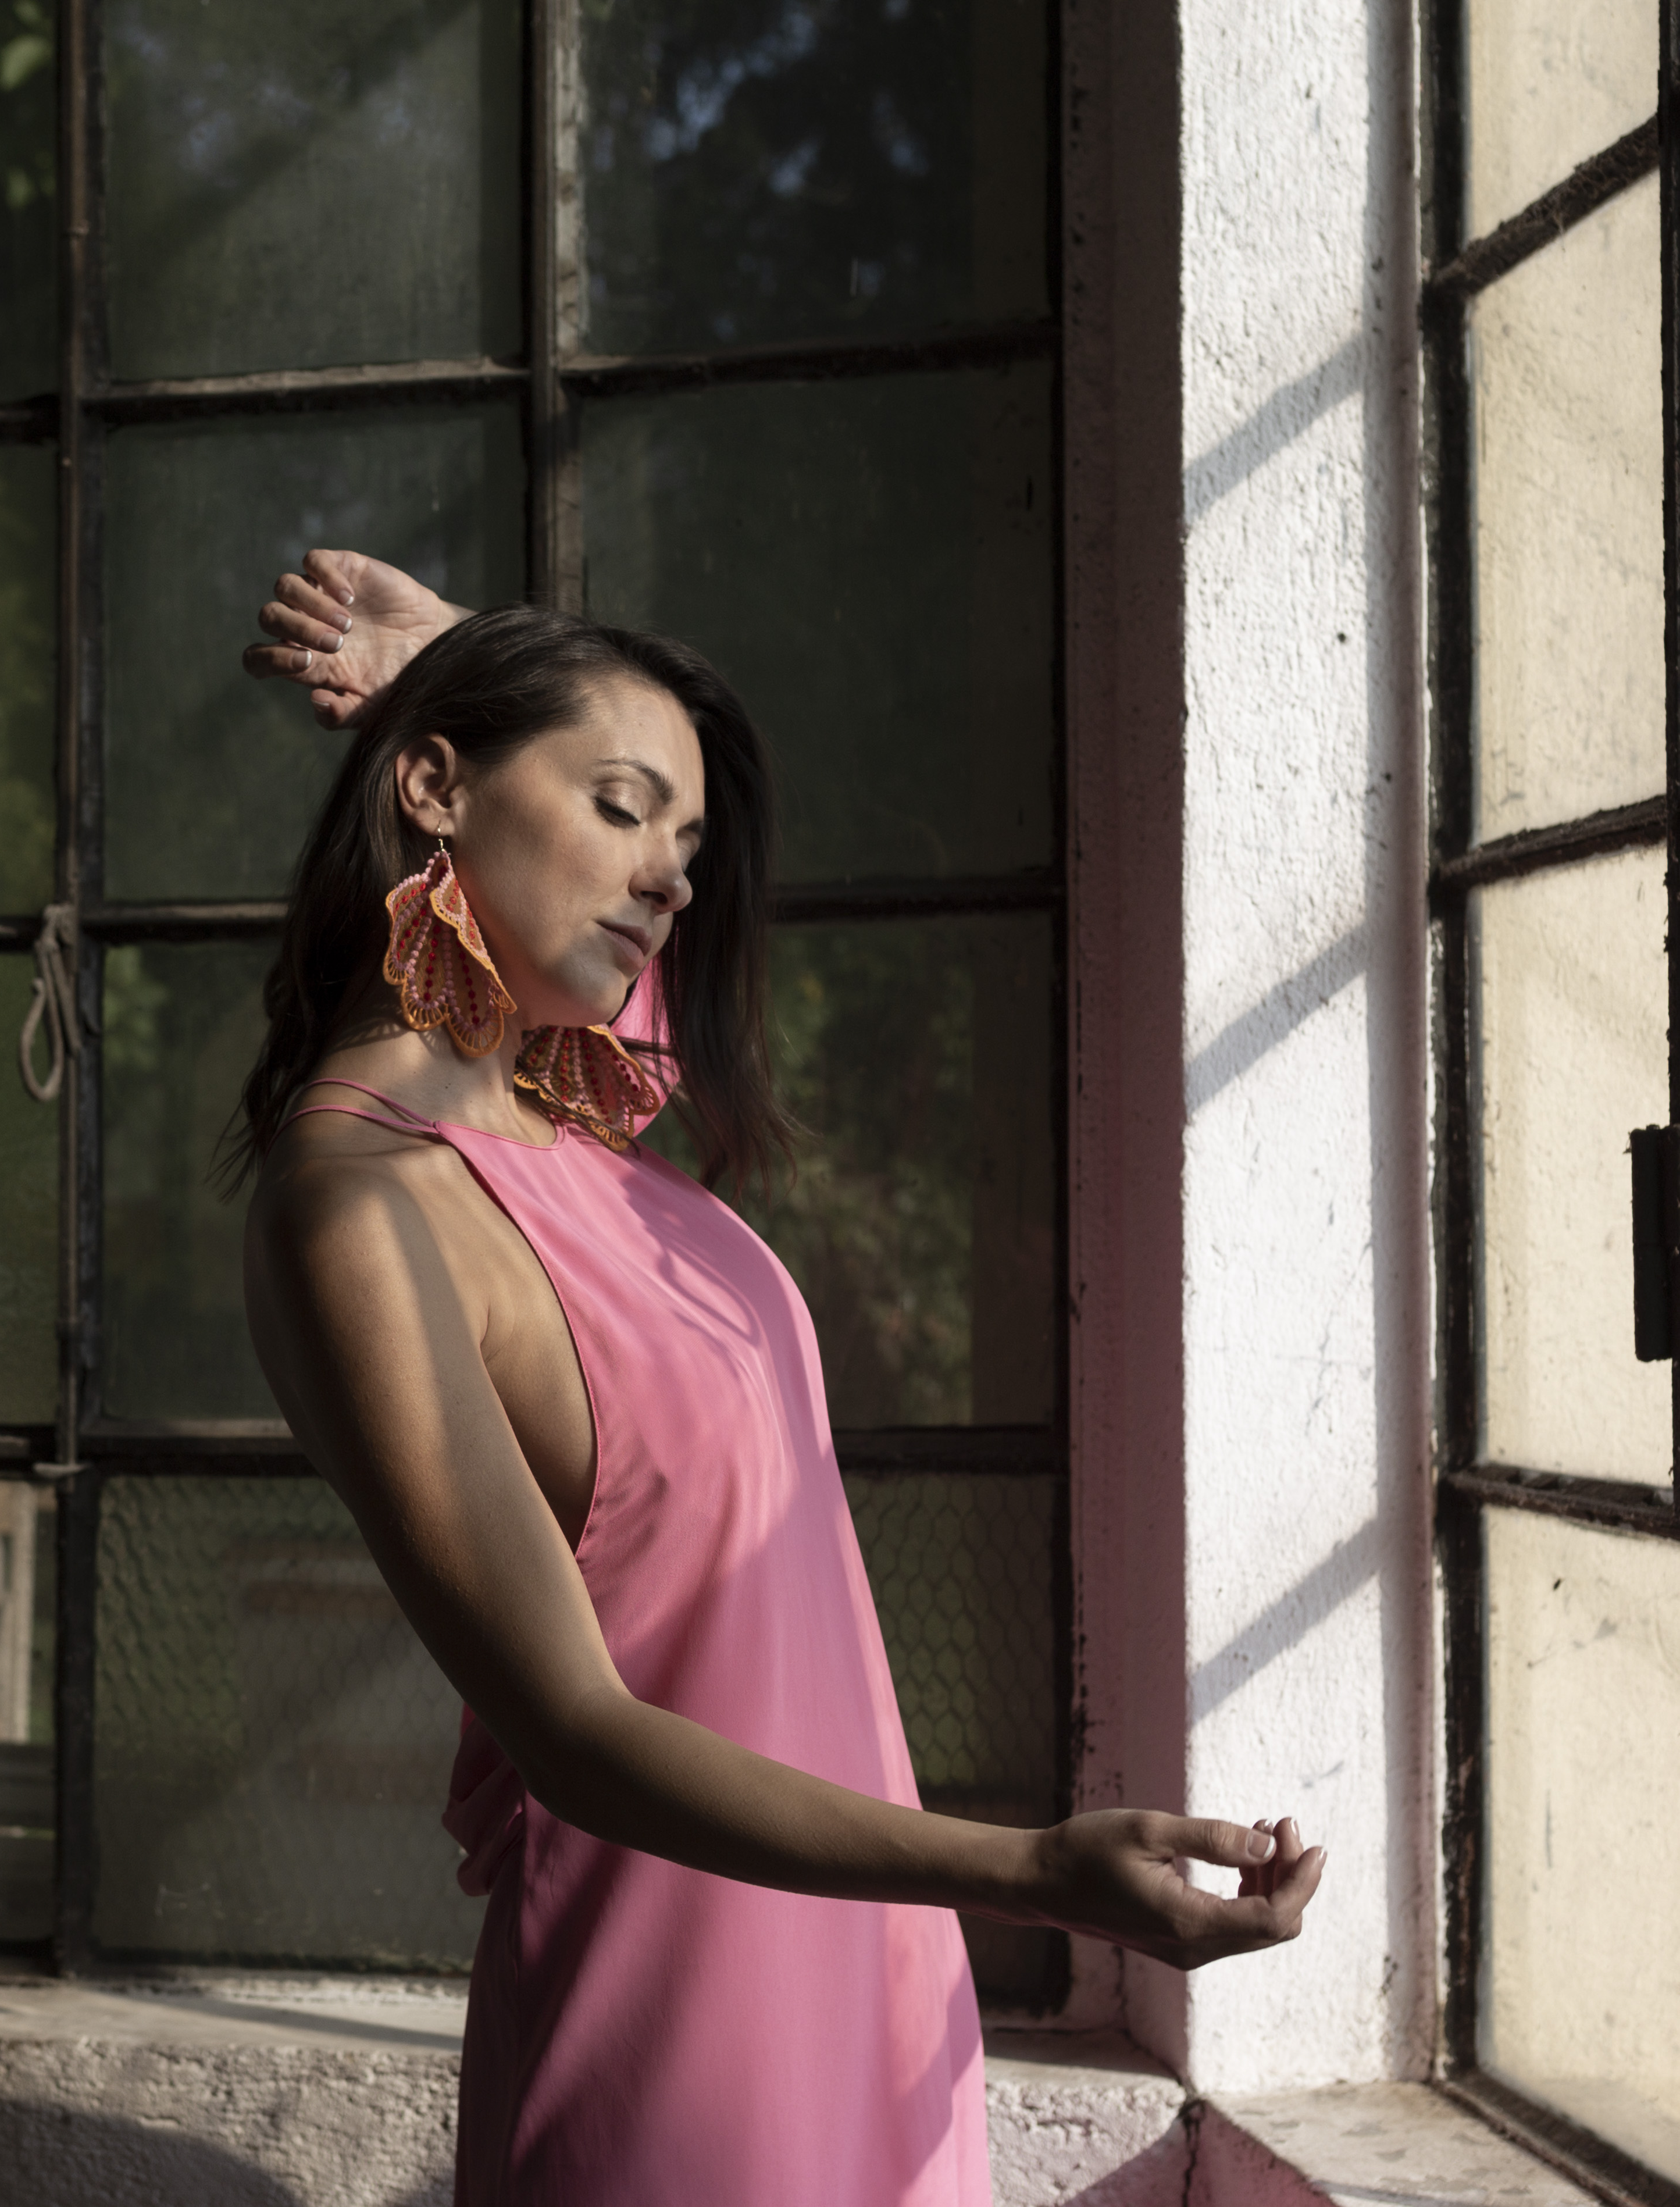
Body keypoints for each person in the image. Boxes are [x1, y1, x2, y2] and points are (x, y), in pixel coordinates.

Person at [229, 551, 1325, 2205]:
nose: (669, 881)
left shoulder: (576, 1124)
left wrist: (458, 660)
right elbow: (576, 1731)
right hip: (677, 2053)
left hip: (871, 1994)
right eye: (622, 810)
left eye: (688, 848)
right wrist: (1035, 1870)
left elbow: (607, 914)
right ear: (435, 786)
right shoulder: (360, 1212)